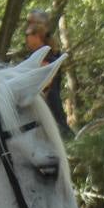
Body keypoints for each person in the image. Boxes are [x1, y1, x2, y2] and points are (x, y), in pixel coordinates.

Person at [23, 9, 72, 138]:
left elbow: (44, 87)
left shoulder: (48, 57)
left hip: (50, 117)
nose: (26, 37)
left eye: (29, 33)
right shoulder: (35, 56)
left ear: (38, 34)